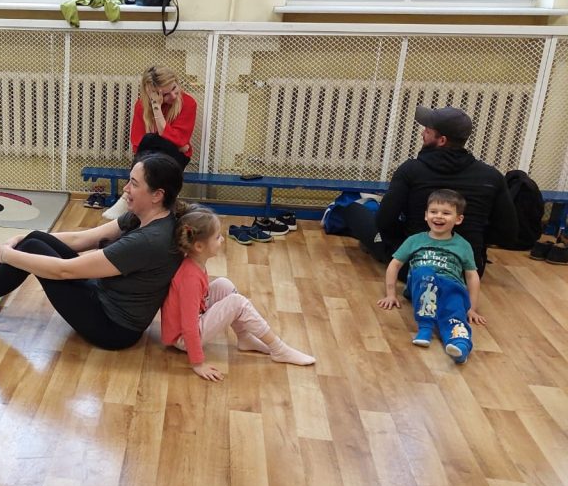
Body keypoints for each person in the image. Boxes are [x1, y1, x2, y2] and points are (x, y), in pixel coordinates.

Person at [0, 153, 185, 351]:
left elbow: (64, 271)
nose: (126, 189)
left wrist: (9, 254)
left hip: (112, 328)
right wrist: (22, 237)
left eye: (134, 184)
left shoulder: (149, 240)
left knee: (31, 249)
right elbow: (82, 238)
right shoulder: (143, 217)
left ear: (157, 195)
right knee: (35, 239)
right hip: (104, 297)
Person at [342, 105, 516, 277]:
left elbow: (384, 221)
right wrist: (474, 242)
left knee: (353, 210)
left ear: (442, 140)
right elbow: (508, 232)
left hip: (413, 266)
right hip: (468, 271)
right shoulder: (491, 176)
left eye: (427, 131)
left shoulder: (411, 170)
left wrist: (401, 243)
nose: (422, 133)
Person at [162, 206, 315, 381]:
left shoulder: (195, 264)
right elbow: (189, 326)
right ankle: (279, 349)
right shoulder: (190, 278)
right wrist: (198, 363)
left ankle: (245, 338)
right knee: (236, 302)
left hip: (193, 322)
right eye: (217, 237)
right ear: (199, 246)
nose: (222, 240)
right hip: (183, 338)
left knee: (224, 285)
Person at [377, 189, 484, 364]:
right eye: (434, 211)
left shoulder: (463, 245)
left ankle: (461, 348)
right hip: (422, 283)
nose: (439, 216)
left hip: (450, 286)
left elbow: (472, 276)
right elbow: (394, 265)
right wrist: (391, 294)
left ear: (458, 219)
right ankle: (425, 328)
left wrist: (471, 307)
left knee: (456, 314)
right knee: (424, 272)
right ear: (426, 215)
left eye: (446, 213)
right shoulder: (415, 240)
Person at [99, 66, 197, 219]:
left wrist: (157, 112)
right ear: (153, 94)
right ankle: (139, 208)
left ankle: (127, 198)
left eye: (174, 88)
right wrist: (173, 142)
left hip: (176, 157)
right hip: (148, 156)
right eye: (165, 94)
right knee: (149, 141)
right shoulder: (141, 106)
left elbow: (180, 140)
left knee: (152, 140)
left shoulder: (189, 103)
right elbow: (138, 143)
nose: (173, 95)